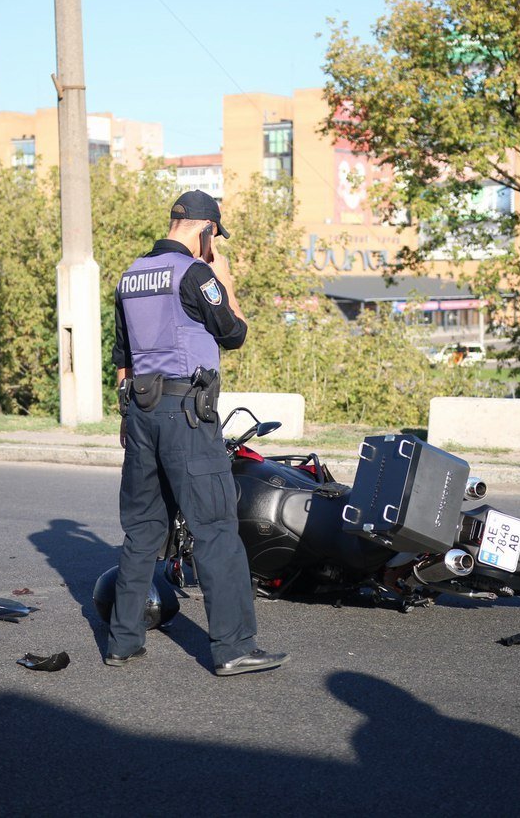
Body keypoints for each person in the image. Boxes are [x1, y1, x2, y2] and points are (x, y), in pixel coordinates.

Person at [106, 189, 290, 676]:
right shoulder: (196, 273)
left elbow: (121, 358)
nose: (214, 248)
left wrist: (126, 417)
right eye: (215, 239)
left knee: (143, 530)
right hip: (187, 414)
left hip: (140, 414)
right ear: (205, 230)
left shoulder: (130, 276)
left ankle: (122, 641)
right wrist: (226, 282)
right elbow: (234, 333)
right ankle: (233, 649)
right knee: (216, 530)